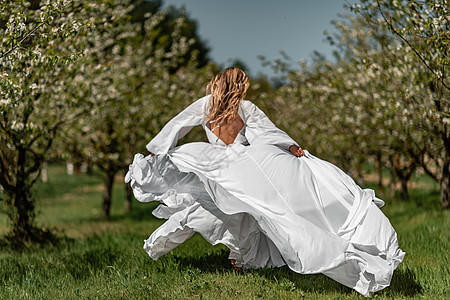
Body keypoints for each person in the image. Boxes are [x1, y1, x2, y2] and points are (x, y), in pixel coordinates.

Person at [125, 67, 404, 297]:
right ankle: (250, 256)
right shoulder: (244, 107)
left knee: (240, 209)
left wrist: (156, 150)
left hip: (223, 165)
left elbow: (177, 124)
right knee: (258, 209)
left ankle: (242, 258)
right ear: (239, 87)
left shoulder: (205, 105)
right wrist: (291, 147)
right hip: (247, 161)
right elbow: (266, 132)